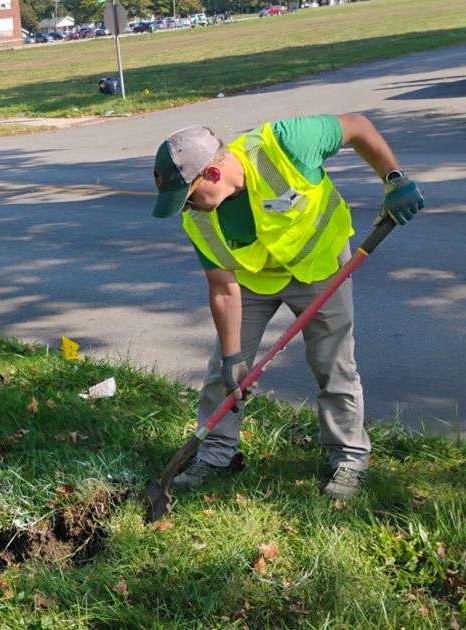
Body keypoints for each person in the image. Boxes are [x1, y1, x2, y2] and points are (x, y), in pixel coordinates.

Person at [149, 114, 423, 499]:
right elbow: (222, 286)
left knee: (333, 366)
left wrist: (394, 180)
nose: (187, 208)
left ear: (212, 173)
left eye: (189, 196)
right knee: (221, 375)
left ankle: (348, 459)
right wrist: (233, 358)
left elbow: (358, 127)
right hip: (253, 281)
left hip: (320, 268)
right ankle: (215, 454)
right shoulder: (199, 219)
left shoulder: (285, 143)